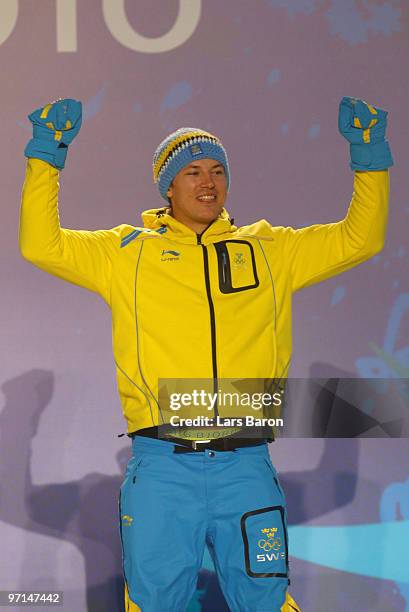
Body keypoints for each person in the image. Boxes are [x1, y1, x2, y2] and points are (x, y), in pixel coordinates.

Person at [19, 97, 393, 611]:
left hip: (246, 465)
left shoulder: (268, 249)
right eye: (192, 171)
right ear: (167, 187)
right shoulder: (126, 253)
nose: (207, 182)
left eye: (217, 171)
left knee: (266, 602)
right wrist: (46, 157)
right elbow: (41, 245)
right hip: (161, 468)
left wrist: (368, 157)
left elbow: (360, 239)